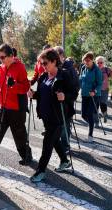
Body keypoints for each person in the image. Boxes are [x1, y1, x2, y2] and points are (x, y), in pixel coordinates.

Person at [28, 49, 72, 183]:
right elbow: (41, 95)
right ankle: (64, 160)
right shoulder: (43, 76)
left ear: (54, 61)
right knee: (54, 140)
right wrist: (33, 94)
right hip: (46, 116)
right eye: (41, 63)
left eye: (45, 63)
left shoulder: (64, 75)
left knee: (47, 143)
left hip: (58, 117)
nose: (43, 65)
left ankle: (40, 171)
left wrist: (65, 96)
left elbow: (73, 93)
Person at [0, 44, 33, 166]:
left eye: (3, 57)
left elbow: (26, 87)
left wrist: (14, 85)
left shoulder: (20, 67)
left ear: (11, 56)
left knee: (19, 134)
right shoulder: (0, 68)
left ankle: (27, 156)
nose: (0, 59)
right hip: (4, 106)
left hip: (17, 108)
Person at [53, 46, 79, 153]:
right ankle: (60, 144)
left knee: (65, 124)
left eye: (56, 55)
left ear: (62, 56)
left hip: (67, 103)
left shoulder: (69, 68)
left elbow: (76, 88)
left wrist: (66, 97)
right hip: (56, 103)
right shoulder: (55, 67)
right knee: (58, 124)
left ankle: (65, 146)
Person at [79, 52, 103, 142]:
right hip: (84, 94)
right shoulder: (83, 68)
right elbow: (80, 79)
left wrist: (95, 91)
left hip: (94, 95)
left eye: (88, 61)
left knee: (89, 114)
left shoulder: (97, 70)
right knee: (83, 115)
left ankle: (90, 135)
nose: (86, 62)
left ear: (92, 60)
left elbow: (100, 84)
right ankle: (91, 124)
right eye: (85, 61)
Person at [95, 56, 112, 123]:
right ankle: (96, 121)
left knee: (103, 103)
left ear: (103, 63)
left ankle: (104, 114)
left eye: (101, 62)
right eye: (98, 62)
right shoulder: (94, 69)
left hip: (104, 89)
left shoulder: (107, 69)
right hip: (96, 90)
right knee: (96, 105)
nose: (99, 64)